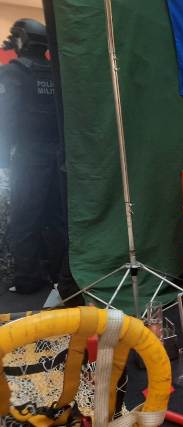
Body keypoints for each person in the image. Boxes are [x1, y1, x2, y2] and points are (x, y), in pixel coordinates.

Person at [0, 19, 66, 294]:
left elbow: (6, 118)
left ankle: (28, 280)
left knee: (24, 220)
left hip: (28, 156)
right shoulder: (55, 73)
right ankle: (59, 276)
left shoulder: (13, 73)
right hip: (58, 157)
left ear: (20, 41)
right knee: (55, 219)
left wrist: (3, 160)